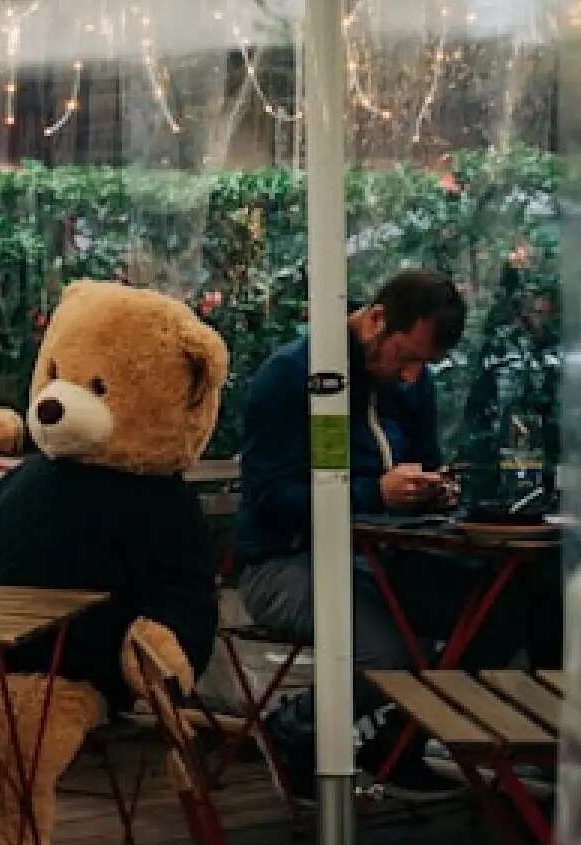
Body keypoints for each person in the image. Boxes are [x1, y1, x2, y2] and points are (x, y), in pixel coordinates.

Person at [234, 268, 549, 797]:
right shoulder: (293, 376)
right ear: (375, 319)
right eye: (406, 357)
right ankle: (295, 728)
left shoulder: (411, 384)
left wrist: (435, 487)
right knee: (386, 655)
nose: (410, 377)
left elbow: (424, 460)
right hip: (283, 562)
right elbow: (271, 501)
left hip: (384, 559)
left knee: (503, 607)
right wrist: (376, 493)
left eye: (423, 366)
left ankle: (399, 738)